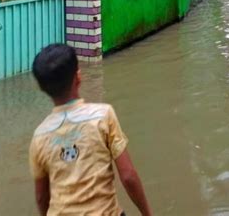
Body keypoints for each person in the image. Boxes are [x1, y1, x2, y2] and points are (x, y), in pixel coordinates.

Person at [29, 43, 152, 216]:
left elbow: (42, 197)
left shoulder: (39, 136)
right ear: (78, 77)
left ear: (43, 89)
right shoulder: (103, 116)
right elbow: (128, 176)